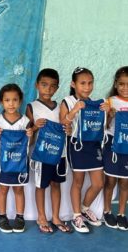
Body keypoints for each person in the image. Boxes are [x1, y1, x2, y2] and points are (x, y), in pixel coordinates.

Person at [60, 67, 110, 233]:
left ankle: (84, 208)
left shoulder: (96, 103)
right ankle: (76, 216)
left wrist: (108, 113)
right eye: (82, 83)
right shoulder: (67, 101)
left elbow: (106, 126)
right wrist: (75, 110)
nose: (87, 87)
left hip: (94, 146)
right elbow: (63, 122)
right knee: (78, 182)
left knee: (98, 183)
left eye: (90, 83)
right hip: (77, 146)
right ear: (73, 84)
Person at [26, 69, 71, 233]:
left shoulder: (61, 107)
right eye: (44, 85)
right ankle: (42, 217)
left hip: (60, 153)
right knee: (41, 186)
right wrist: (35, 127)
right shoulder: (31, 107)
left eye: (52, 86)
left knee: (56, 185)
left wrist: (69, 129)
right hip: (41, 155)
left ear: (57, 88)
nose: (48, 89)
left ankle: (56, 217)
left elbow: (68, 128)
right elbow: (28, 133)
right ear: (37, 85)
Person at [0, 84, 32, 233]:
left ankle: (20, 217)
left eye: (15, 100)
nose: (11, 103)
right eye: (7, 100)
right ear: (1, 102)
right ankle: (2, 217)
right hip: (3, 163)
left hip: (20, 162)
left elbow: (30, 143)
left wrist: (30, 135)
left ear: (20, 101)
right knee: (3, 189)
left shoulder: (25, 121)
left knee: (19, 189)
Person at [103, 66, 128, 230]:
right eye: (122, 84)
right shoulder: (110, 101)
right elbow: (103, 127)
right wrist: (110, 116)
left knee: (125, 183)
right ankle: (106, 211)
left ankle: (121, 214)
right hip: (112, 144)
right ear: (116, 84)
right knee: (110, 181)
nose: (125, 88)